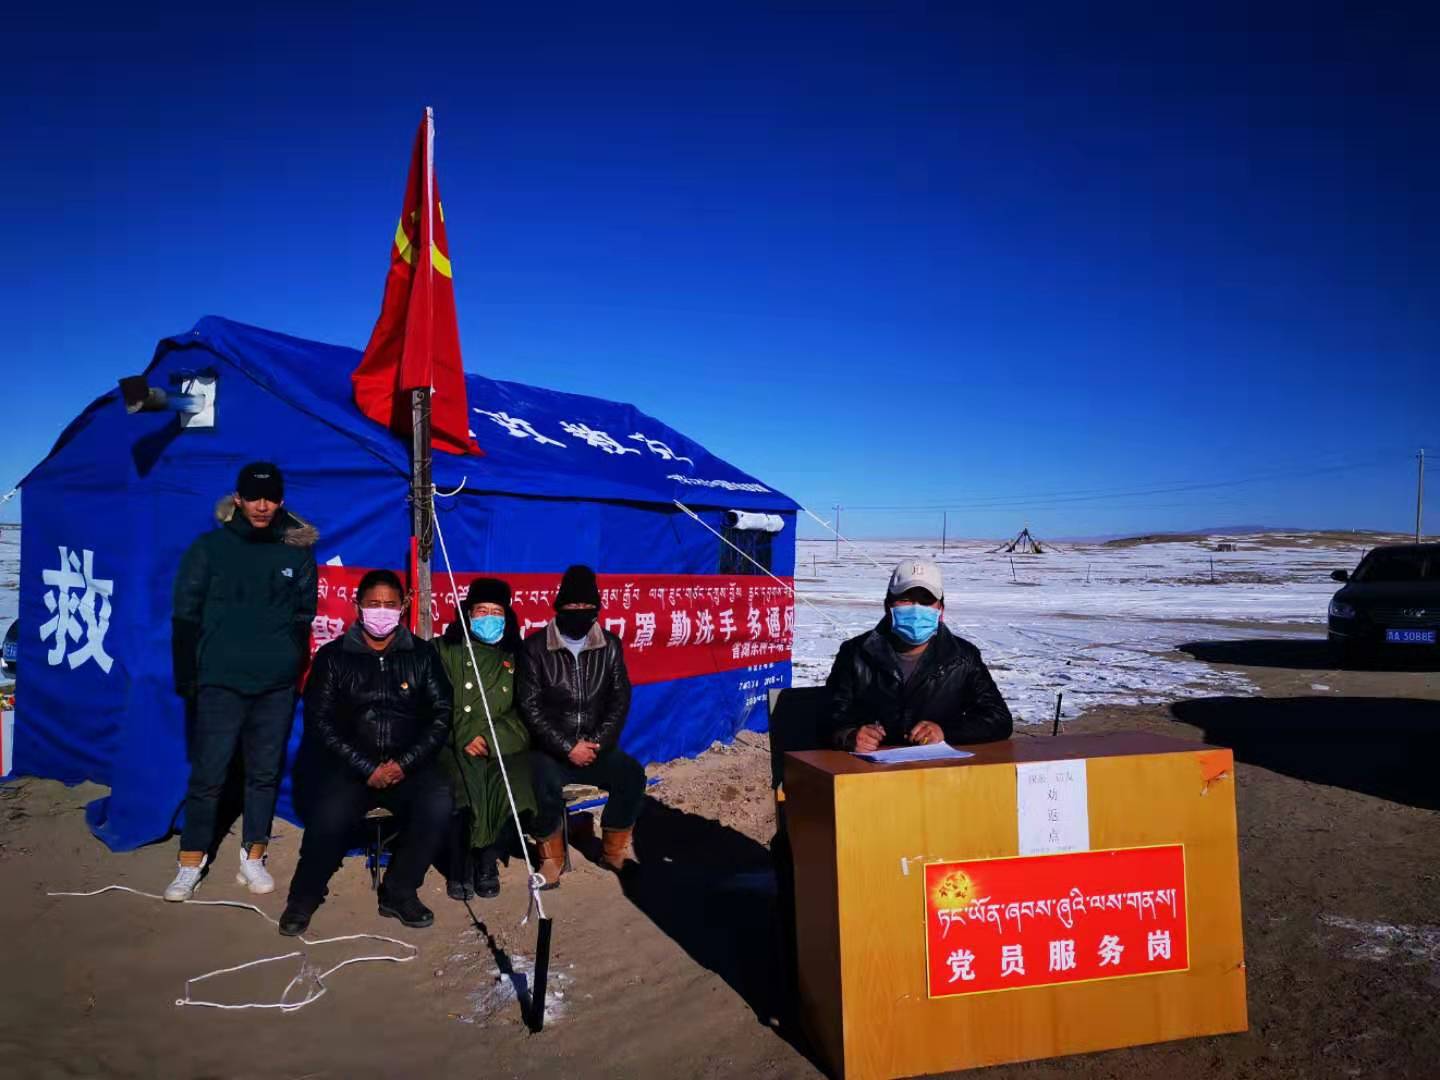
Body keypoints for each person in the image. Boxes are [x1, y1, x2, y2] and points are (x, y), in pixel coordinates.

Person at [166, 462, 318, 902]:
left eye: (270, 498)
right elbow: (185, 615)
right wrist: (187, 676)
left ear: (281, 501)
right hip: (220, 684)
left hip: (275, 687)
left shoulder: (296, 553)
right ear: (238, 499)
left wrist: (289, 663)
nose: (262, 506)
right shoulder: (209, 548)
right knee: (208, 775)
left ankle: (253, 856)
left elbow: (304, 615)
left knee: (264, 774)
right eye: (253, 497)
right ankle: (190, 862)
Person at [279, 569, 453, 936]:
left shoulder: (423, 655)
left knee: (438, 802)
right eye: (374, 604)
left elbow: (440, 715)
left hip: (408, 767)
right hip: (350, 769)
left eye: (390, 604)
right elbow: (320, 723)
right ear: (358, 606)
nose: (382, 612)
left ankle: (400, 890)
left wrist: (404, 764)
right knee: (328, 816)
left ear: (403, 606)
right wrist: (366, 767)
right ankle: (304, 896)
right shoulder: (333, 657)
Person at [518, 565, 644, 887]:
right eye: (572, 605)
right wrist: (567, 747)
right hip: (551, 750)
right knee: (539, 780)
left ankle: (613, 850)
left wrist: (596, 743)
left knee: (631, 775)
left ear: (596, 608)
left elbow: (619, 699)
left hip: (595, 747)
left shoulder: (610, 646)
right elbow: (530, 707)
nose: (579, 611)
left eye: (586, 606)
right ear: (559, 606)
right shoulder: (535, 648)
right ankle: (551, 859)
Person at [826, 558, 1012, 751]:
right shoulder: (855, 653)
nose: (916, 608)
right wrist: (849, 735)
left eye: (926, 601)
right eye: (905, 599)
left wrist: (945, 732)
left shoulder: (963, 657)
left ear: (940, 609)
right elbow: (829, 714)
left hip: (938, 766)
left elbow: (998, 719)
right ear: (887, 606)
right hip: (868, 766)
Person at [435, 577, 536, 900]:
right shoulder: (444, 650)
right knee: (461, 788)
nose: (488, 618)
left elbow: (526, 711)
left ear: (507, 617)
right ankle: (460, 865)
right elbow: (433, 704)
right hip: (451, 742)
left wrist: (492, 739)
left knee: (506, 784)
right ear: (468, 613)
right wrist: (463, 735)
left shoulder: (517, 657)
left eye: (496, 612)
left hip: (500, 744)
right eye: (482, 611)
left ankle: (487, 861)